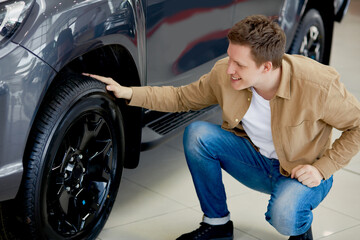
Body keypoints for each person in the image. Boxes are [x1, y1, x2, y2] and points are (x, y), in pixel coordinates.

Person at [84, 15, 360, 240]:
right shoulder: (224, 74)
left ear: (266, 67)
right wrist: (128, 93)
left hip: (304, 174)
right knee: (198, 135)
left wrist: (321, 169)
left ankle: (299, 227)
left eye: (240, 64)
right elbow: (181, 98)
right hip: (257, 162)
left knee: (286, 217)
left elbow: (357, 126)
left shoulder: (317, 85)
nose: (230, 70)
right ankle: (217, 224)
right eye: (230, 58)